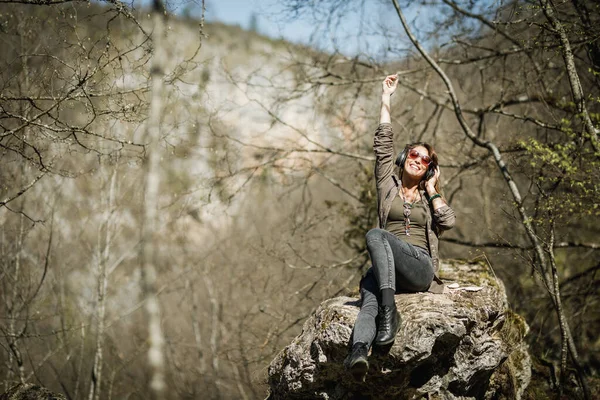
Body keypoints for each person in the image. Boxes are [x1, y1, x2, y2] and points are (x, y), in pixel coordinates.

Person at [345, 74, 456, 379]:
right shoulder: (387, 184)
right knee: (368, 297)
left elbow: (448, 221)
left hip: (418, 269)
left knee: (375, 235)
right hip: (388, 272)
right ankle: (358, 352)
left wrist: (433, 189)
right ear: (403, 157)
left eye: (425, 159)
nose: (418, 159)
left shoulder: (428, 197)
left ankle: (389, 313)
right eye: (414, 154)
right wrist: (385, 98)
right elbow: (382, 143)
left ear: (429, 169)